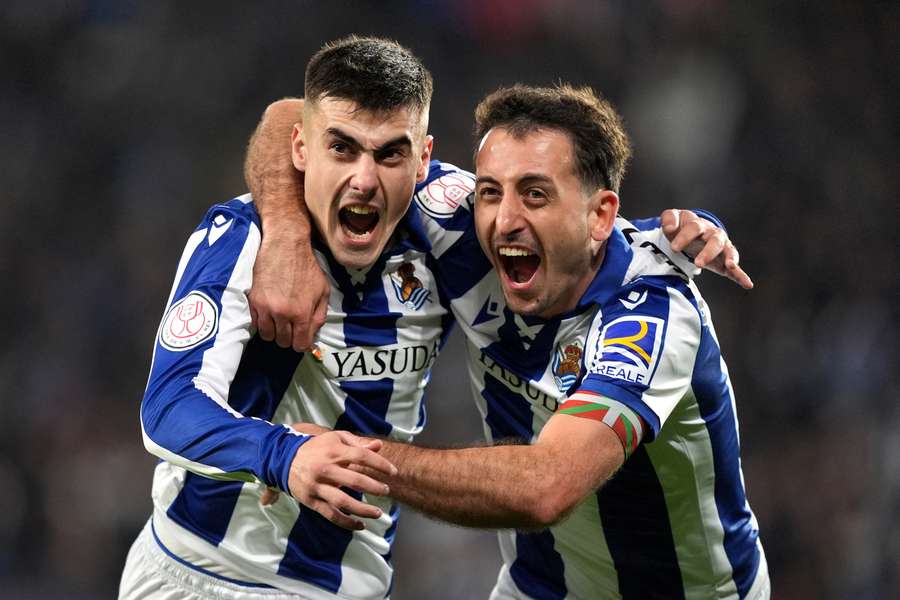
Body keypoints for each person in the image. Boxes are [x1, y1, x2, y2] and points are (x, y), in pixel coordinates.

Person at [122, 36, 744, 599]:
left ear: (422, 162)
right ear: (304, 150)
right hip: (195, 571)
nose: (364, 180)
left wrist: (677, 230)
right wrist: (285, 453)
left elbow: (580, 239)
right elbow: (169, 407)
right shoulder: (245, 241)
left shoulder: (449, 230)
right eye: (342, 149)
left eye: (390, 155)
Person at [256, 84, 768, 599]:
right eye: (491, 191)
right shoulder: (460, 225)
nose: (504, 221)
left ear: (599, 215)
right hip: (537, 588)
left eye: (535, 194)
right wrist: (285, 237)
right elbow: (291, 119)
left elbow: (547, 488)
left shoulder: (652, 315)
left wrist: (354, 457)